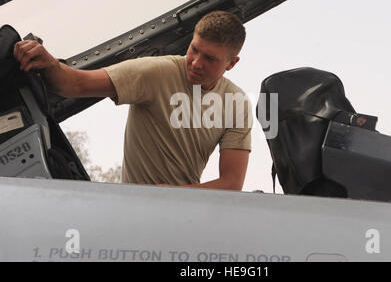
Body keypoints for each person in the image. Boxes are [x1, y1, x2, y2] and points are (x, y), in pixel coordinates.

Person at [13, 11, 252, 191]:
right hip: (135, 204)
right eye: (194, 49)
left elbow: (231, 183)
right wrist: (49, 62)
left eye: (210, 58)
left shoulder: (235, 103)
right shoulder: (155, 73)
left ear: (232, 63)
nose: (196, 63)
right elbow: (75, 84)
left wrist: (176, 195)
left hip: (188, 211)